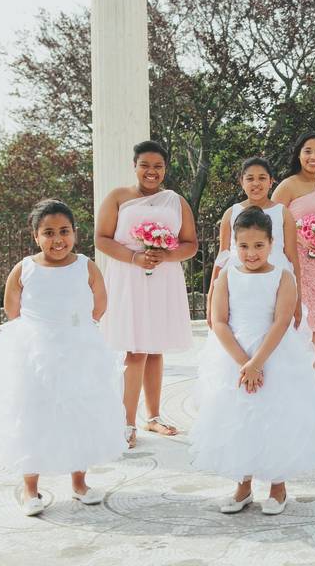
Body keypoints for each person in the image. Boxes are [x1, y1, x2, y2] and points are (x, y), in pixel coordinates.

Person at [0, 200, 125, 516]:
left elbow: (99, 304)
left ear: (75, 232)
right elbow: (12, 309)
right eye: (48, 232)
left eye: (64, 231)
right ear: (35, 236)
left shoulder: (85, 266)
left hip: (78, 346)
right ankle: (30, 489)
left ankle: (79, 482)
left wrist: (75, 328)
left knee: (78, 412)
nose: (57, 239)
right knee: (33, 413)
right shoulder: (25, 268)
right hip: (33, 350)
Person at [190, 208, 315, 515]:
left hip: (274, 353)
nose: (251, 253)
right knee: (239, 416)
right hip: (234, 355)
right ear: (234, 246)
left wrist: (258, 362)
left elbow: (282, 321)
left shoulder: (283, 276)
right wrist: (245, 363)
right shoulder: (227, 276)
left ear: (271, 243)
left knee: (274, 415)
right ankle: (242, 486)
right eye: (243, 246)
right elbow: (219, 321)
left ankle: (278, 487)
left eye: (258, 246)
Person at [96, 140, 197, 449]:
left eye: (158, 166)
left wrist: (166, 256)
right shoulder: (117, 197)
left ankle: (153, 416)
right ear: (135, 165)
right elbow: (101, 238)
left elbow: (190, 243)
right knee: (135, 350)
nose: (151, 172)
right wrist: (134, 258)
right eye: (145, 165)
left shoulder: (175, 201)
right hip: (129, 278)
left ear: (165, 169)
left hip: (163, 279)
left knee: (155, 349)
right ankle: (126, 422)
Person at [208, 157, 304, 331]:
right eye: (250, 178)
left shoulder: (283, 213)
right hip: (239, 282)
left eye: (262, 178)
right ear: (241, 182)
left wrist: (298, 298)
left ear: (271, 181)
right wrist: (211, 297)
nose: (256, 183)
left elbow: (293, 258)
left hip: (275, 282)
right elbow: (222, 256)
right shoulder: (231, 213)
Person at [272, 132, 315, 361]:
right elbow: (270, 224)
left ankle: (311, 378)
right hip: (294, 261)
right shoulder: (287, 186)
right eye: (308, 151)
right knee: (294, 322)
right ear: (299, 154)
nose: (313, 156)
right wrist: (301, 238)